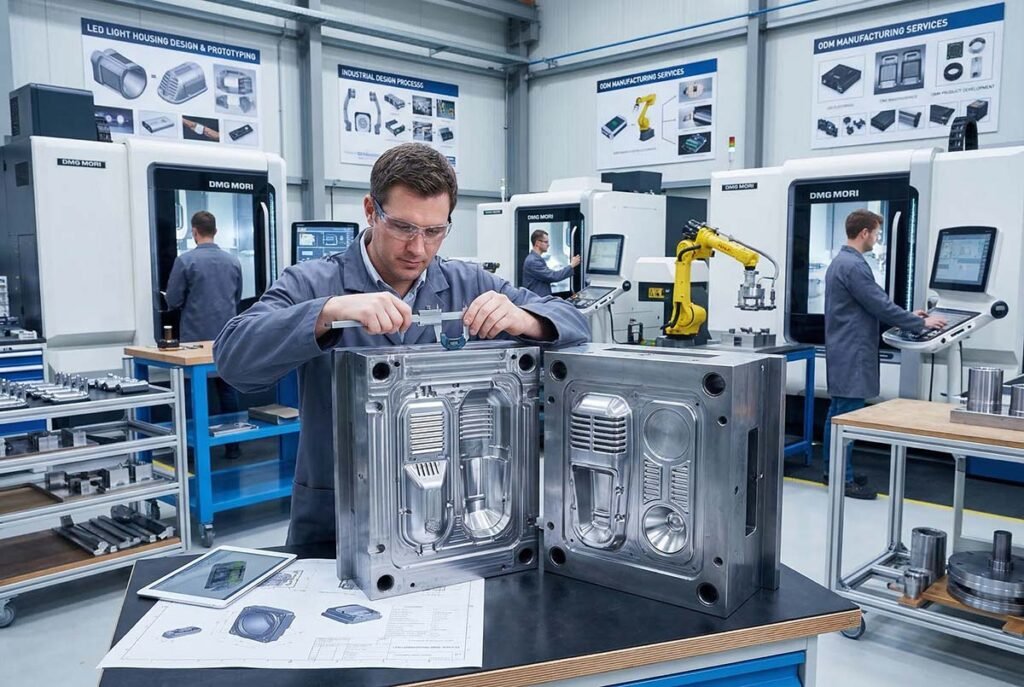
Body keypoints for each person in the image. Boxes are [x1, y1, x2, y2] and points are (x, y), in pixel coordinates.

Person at [214, 143, 590, 546]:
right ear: (371, 211)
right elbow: (233, 358)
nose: (418, 248)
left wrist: (526, 319)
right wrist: (327, 312)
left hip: (447, 516)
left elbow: (577, 325)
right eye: (403, 228)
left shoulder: (470, 283)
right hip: (337, 520)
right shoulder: (313, 283)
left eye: (434, 232)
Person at [823, 209, 946, 499]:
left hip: (846, 349)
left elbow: (872, 303)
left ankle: (836, 471)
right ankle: (843, 479)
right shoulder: (853, 266)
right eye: (876, 233)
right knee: (846, 416)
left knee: (838, 413)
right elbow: (878, 303)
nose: (877, 239)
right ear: (864, 232)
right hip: (852, 352)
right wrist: (919, 322)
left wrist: (907, 315)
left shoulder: (843, 262)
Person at [165, 211, 244, 459]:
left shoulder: (185, 261)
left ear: (193, 231)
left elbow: (174, 300)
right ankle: (233, 446)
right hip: (226, 338)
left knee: (192, 394)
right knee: (227, 389)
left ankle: (193, 449)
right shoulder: (233, 262)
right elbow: (237, 297)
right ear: (216, 231)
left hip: (194, 341)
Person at [522, 229, 580, 296]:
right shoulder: (533, 261)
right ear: (537, 243)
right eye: (546, 242)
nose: (548, 245)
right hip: (537, 302)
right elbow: (553, 276)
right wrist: (571, 265)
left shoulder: (535, 259)